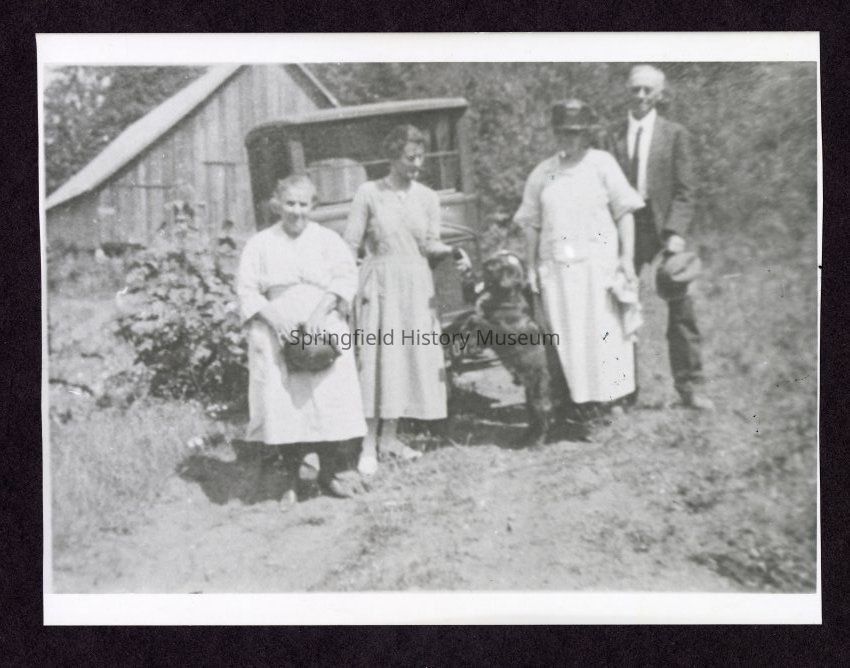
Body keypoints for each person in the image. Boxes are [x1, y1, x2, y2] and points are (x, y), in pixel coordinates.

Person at [236, 174, 367, 499]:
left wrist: (318, 315)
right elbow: (247, 290)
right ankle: (291, 477)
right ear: (277, 204)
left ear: (313, 205)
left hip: (322, 324)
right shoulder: (260, 243)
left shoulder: (327, 240)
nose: (296, 211)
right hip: (277, 327)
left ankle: (330, 471)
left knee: (329, 398)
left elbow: (345, 278)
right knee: (285, 403)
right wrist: (275, 318)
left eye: (303, 204)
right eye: (290, 203)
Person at [515, 98, 645, 413]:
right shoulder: (543, 173)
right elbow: (531, 224)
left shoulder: (602, 164)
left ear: (586, 133)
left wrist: (627, 257)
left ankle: (612, 401)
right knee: (568, 335)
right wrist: (530, 267)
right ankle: (577, 402)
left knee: (604, 333)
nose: (569, 138)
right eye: (563, 132)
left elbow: (625, 212)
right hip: (558, 268)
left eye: (575, 132)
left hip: (597, 267)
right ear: (555, 133)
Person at [344, 124, 454, 475]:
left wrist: (451, 253)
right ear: (393, 157)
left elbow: (430, 243)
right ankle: (367, 444)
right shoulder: (368, 193)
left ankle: (389, 439)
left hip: (417, 285)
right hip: (380, 285)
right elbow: (350, 244)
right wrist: (350, 287)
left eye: (421, 157)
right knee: (378, 361)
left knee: (404, 361)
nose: (417, 164)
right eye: (410, 158)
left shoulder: (428, 198)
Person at [608, 64, 714, 410]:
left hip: (664, 228)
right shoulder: (609, 136)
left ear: (660, 94)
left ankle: (690, 387)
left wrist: (675, 233)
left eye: (647, 90)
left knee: (681, 307)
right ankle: (622, 391)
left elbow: (686, 190)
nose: (640, 96)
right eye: (635, 89)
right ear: (627, 91)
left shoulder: (675, 134)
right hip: (625, 228)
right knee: (618, 306)